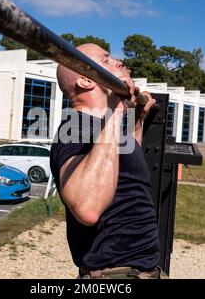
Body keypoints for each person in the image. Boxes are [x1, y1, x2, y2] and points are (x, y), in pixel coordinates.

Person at [50, 43, 165, 279]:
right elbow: (87, 208)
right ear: (86, 81)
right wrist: (116, 110)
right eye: (106, 60)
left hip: (144, 270)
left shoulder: (105, 128)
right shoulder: (74, 128)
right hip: (115, 274)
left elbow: (125, 169)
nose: (119, 62)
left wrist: (137, 118)